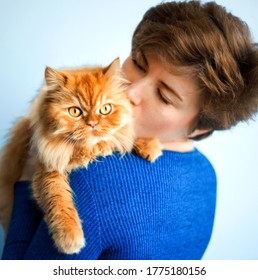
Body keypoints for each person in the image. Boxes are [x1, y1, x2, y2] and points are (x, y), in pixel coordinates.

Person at [2, 0, 258, 260]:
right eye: (138, 63)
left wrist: (24, 182)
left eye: (163, 96)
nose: (130, 91)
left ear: (199, 129)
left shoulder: (91, 178)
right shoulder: (206, 174)